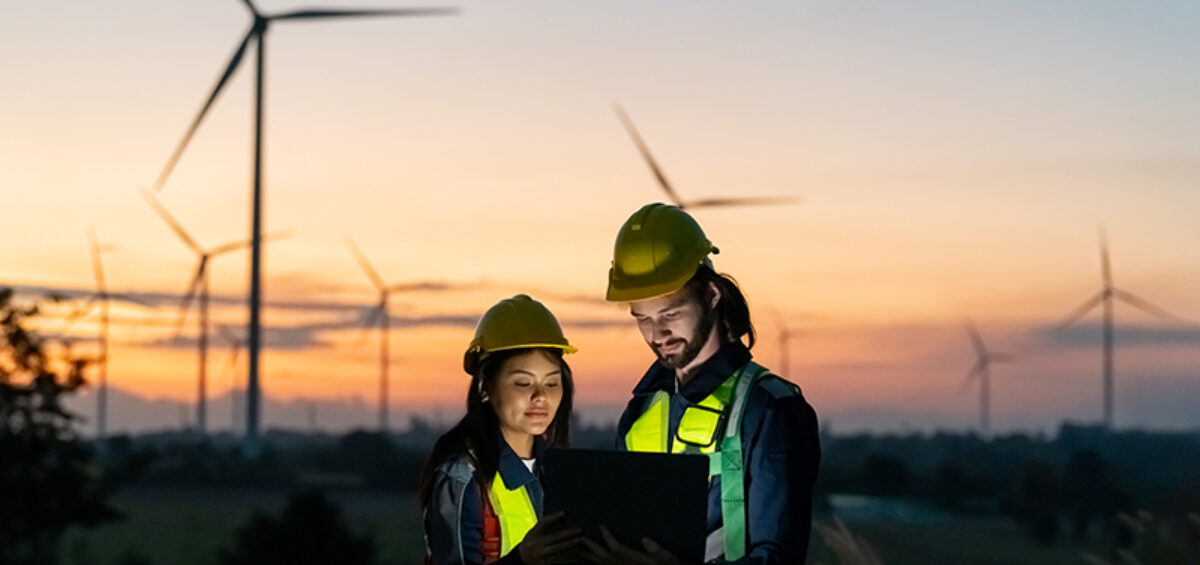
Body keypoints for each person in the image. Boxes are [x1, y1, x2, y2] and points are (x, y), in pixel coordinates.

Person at [596, 203, 821, 564]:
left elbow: (779, 557)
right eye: (644, 319)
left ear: (712, 295)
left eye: (671, 313)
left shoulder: (770, 409)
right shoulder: (640, 411)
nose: (658, 334)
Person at [420, 294, 582, 565]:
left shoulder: (564, 471)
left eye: (552, 384)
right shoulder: (462, 478)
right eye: (523, 384)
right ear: (485, 386)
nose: (540, 397)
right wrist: (521, 560)